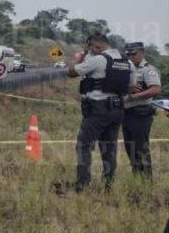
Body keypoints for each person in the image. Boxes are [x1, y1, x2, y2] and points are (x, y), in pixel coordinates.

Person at [67, 34, 132, 191]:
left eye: (90, 48)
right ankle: (108, 185)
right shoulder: (126, 61)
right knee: (109, 149)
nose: (90, 50)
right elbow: (132, 85)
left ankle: (82, 184)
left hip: (98, 109)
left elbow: (71, 72)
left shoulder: (98, 59)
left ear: (96, 47)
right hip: (117, 109)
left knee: (83, 146)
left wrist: (81, 55)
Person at [122, 42, 162, 179]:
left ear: (142, 52)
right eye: (128, 54)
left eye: (134, 53)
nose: (131, 56)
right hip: (127, 113)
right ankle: (137, 180)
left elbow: (156, 89)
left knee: (141, 149)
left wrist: (133, 96)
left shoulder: (147, 69)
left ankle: (146, 182)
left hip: (141, 113)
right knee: (130, 149)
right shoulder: (127, 69)